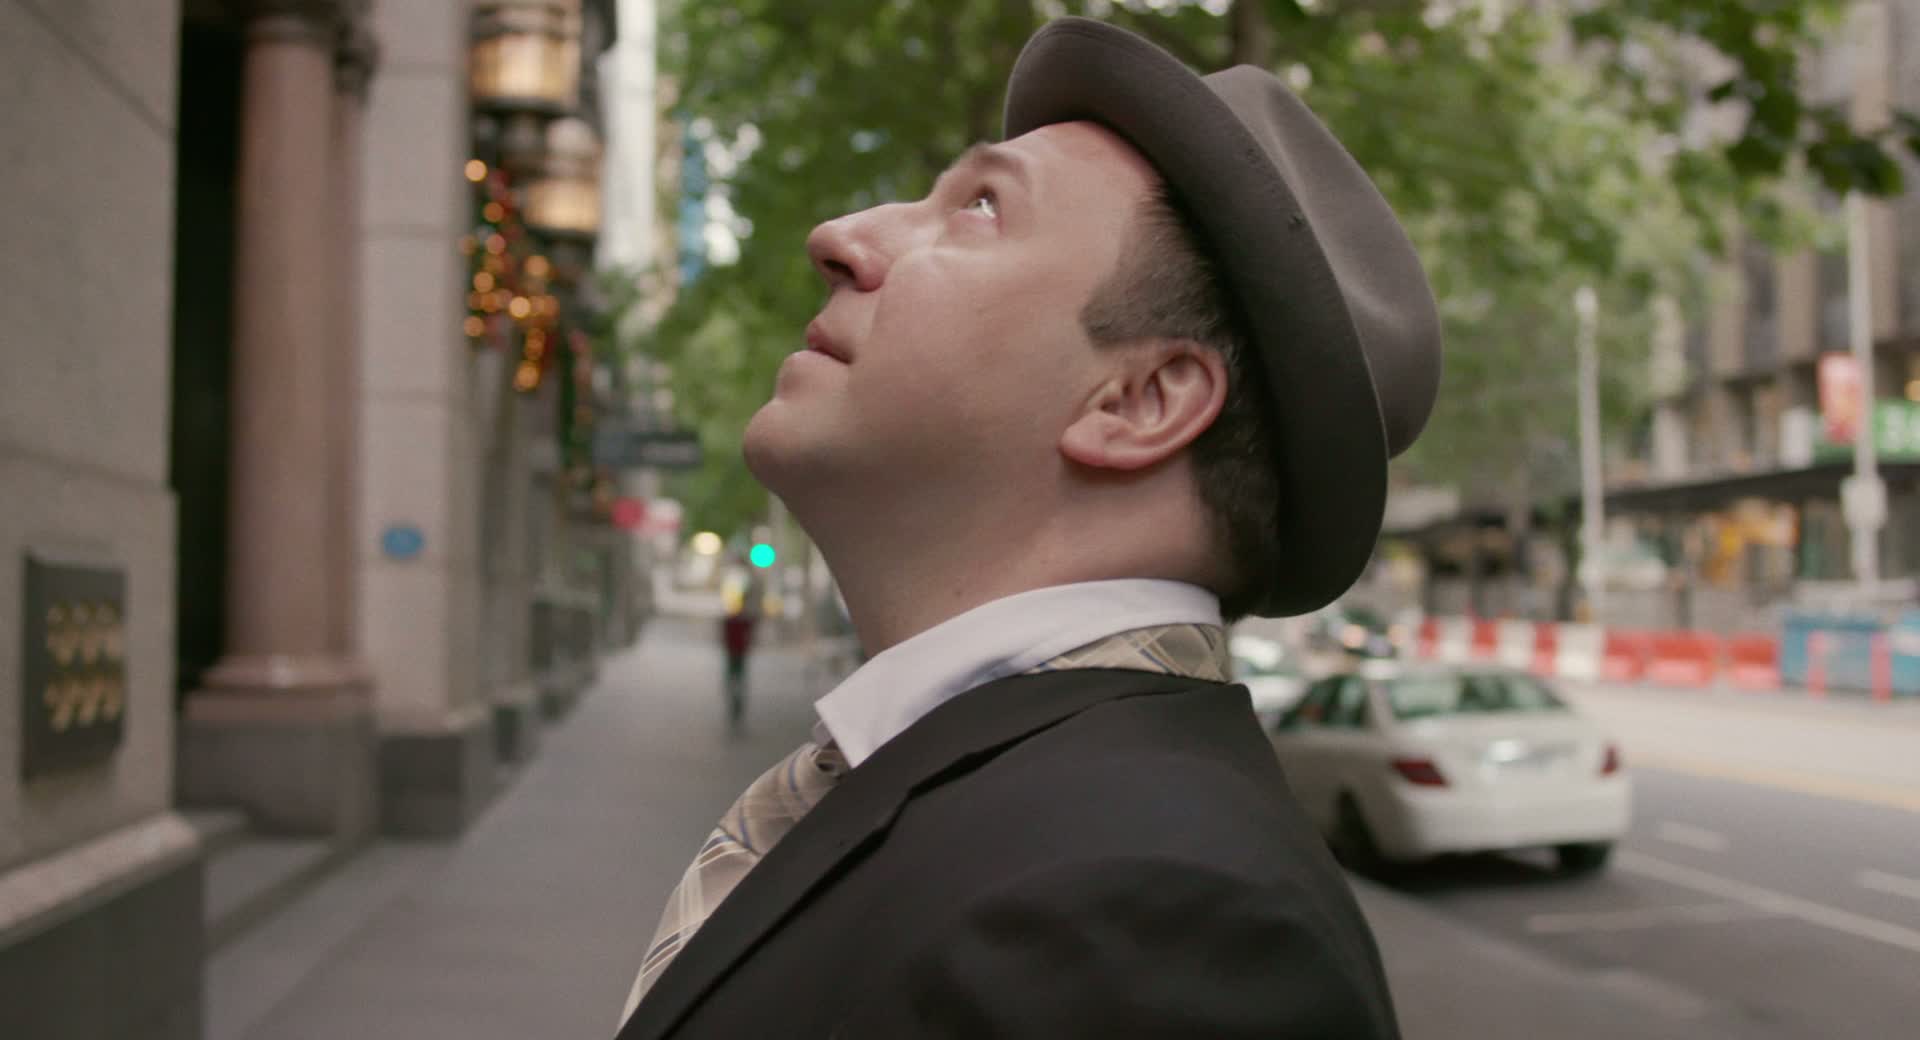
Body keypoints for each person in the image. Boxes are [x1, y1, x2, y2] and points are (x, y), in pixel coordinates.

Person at [617, 17, 1440, 1039]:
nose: (840, 237)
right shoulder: (1053, 829)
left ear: (1138, 401)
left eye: (980, 207)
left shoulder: (1157, 923)